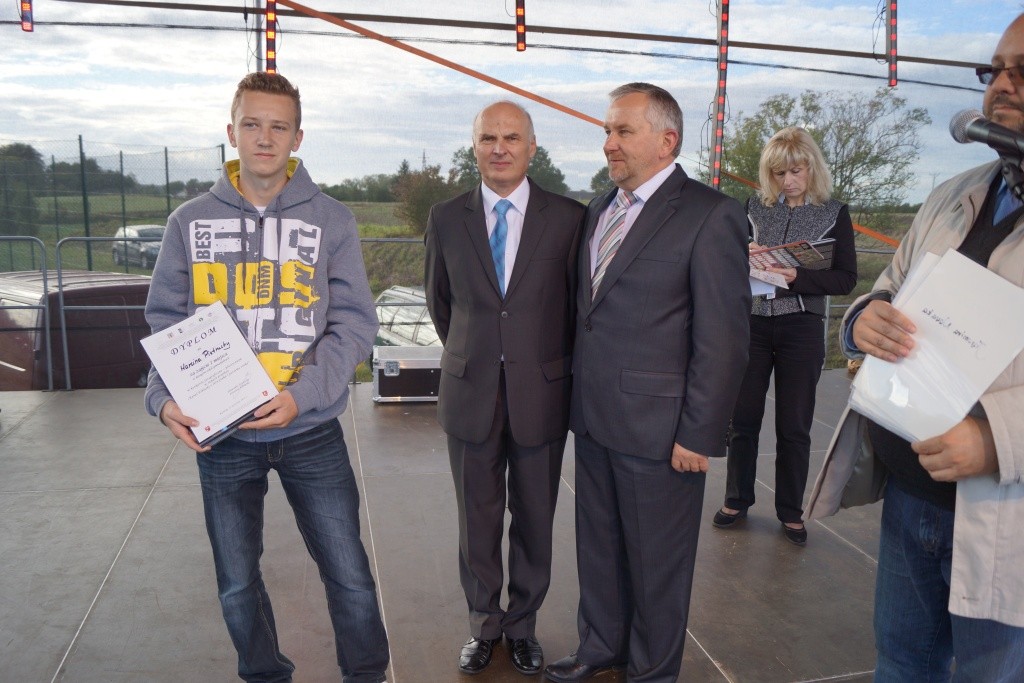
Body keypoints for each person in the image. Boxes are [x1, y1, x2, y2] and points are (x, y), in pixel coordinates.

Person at [143, 72, 390, 683]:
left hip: (311, 429)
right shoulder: (188, 222)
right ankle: (265, 675)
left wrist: (304, 394)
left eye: (279, 127)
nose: (264, 137)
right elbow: (166, 322)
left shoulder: (332, 219)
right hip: (223, 437)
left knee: (350, 574)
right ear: (231, 132)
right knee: (235, 581)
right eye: (251, 124)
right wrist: (163, 398)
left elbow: (356, 323)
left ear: (297, 138)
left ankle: (365, 674)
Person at [807, 13, 1024, 681]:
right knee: (902, 663)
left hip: (1005, 511)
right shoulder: (955, 194)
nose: (1002, 85)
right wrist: (864, 320)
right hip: (912, 495)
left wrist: (995, 441)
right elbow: (888, 288)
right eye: (995, 70)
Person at [544, 83, 751, 683]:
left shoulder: (711, 214)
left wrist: (699, 435)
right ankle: (600, 648)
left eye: (623, 131)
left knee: (657, 564)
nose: (609, 143)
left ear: (667, 140)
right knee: (599, 547)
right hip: (595, 418)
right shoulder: (599, 209)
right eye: (607, 131)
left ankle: (651, 672)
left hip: (662, 433)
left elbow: (724, 338)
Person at [424, 101, 585, 676]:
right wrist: (480, 353)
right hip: (470, 392)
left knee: (536, 518)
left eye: (512, 138)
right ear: (475, 147)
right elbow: (441, 304)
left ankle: (522, 627)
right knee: (477, 519)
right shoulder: (446, 217)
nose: (500, 148)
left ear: (531, 147)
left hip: (541, 393)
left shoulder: (569, 218)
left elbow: (575, 308)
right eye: (488, 138)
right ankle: (484, 626)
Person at [712, 127, 857, 545]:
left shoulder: (834, 213)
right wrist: (743, 255)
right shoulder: (754, 207)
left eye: (796, 171)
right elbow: (727, 262)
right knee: (743, 419)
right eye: (779, 173)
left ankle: (791, 512)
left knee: (795, 424)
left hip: (802, 328)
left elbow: (846, 279)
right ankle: (737, 499)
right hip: (753, 324)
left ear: (812, 167)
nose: (788, 181)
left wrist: (797, 277)